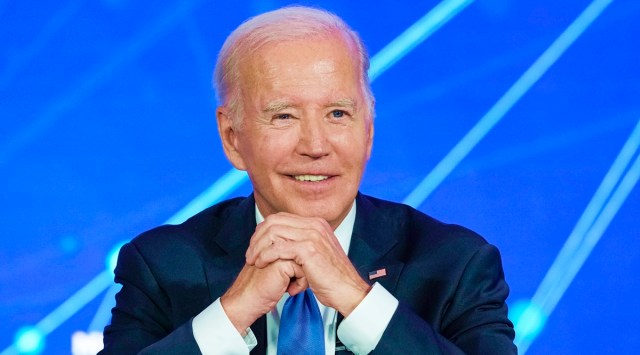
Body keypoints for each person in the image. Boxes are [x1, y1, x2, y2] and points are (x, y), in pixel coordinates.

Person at [101, 5, 516, 355]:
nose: (316, 145)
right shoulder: (161, 266)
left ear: (368, 131)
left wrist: (357, 299)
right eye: (284, 116)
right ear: (232, 138)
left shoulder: (456, 264)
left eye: (338, 114)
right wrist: (233, 312)